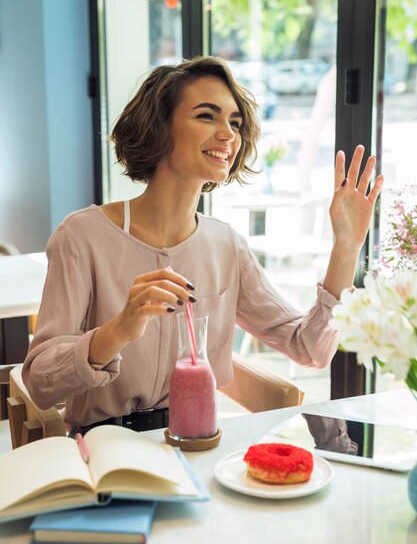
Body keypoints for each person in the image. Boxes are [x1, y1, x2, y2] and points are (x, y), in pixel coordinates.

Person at [22, 56, 383, 434]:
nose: (228, 133)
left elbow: (309, 349)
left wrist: (346, 246)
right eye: (207, 116)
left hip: (197, 447)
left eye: (235, 122)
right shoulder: (81, 236)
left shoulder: (226, 245)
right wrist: (118, 331)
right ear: (160, 127)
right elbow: (41, 381)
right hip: (104, 452)